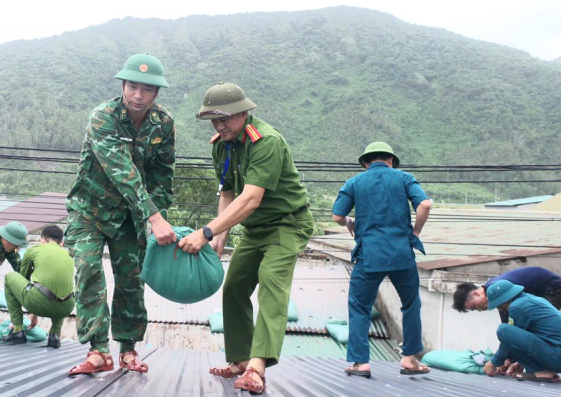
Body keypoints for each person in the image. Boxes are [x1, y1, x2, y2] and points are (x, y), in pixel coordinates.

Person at [178, 82, 314, 395]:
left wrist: (206, 231)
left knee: (271, 282)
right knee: (235, 284)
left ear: (244, 112)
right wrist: (220, 237)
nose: (219, 125)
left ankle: (257, 367)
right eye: (213, 120)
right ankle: (239, 360)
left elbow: (250, 198)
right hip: (255, 229)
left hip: (288, 224)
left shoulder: (265, 141)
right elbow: (228, 193)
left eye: (224, 118)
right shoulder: (220, 144)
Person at [66, 53, 177, 376]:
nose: (137, 96)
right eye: (131, 87)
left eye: (146, 89)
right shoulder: (103, 117)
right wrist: (154, 217)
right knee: (87, 270)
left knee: (131, 280)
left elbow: (162, 174)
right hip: (90, 210)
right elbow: (121, 170)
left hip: (132, 216)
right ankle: (98, 350)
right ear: (123, 86)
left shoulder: (164, 124)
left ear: (156, 93)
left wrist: (157, 219)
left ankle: (128, 349)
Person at [332, 142, 433, 378]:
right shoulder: (404, 178)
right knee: (411, 304)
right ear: (391, 161)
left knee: (360, 307)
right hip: (402, 254)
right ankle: (409, 359)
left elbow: (338, 215)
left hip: (369, 256)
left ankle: (360, 363)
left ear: (366, 163)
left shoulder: (355, 182)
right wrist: (416, 232)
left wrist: (349, 224)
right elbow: (425, 204)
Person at [1, 225, 75, 348]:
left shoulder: (33, 250)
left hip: (38, 302)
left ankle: (17, 330)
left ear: (42, 240)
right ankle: (55, 335)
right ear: (61, 242)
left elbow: (24, 280)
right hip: (66, 308)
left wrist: (33, 312)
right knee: (62, 293)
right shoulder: (69, 256)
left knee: (10, 277)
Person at [482, 279, 561, 382]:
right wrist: (520, 362)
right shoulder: (529, 299)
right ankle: (543, 370)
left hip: (557, 356)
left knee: (503, 330)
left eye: (498, 305)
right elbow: (524, 341)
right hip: (555, 354)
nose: (500, 309)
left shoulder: (517, 307)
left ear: (504, 301)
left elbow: (509, 340)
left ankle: (540, 371)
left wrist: (492, 363)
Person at [453, 267, 561, 324]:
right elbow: (507, 322)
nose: (480, 310)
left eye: (475, 307)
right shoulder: (493, 291)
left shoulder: (497, 288)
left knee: (533, 322)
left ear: (476, 294)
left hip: (553, 289)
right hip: (540, 293)